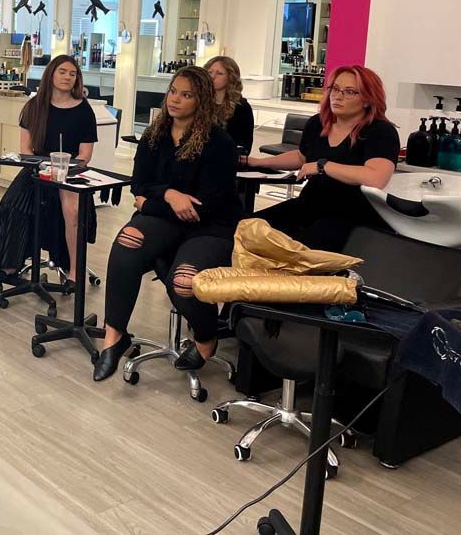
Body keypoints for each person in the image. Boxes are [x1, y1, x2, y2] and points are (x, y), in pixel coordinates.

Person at [93, 66, 241, 382]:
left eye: (186, 95)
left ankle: (205, 337)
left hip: (211, 226)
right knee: (128, 237)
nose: (175, 99)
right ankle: (115, 335)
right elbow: (140, 184)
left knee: (185, 280)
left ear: (200, 102)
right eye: (173, 91)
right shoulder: (155, 134)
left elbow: (202, 207)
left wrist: (150, 203)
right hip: (168, 219)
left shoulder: (219, 143)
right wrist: (171, 195)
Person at [243, 65, 399, 252]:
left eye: (349, 92)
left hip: (351, 215)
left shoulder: (380, 132)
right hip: (310, 205)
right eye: (334, 88)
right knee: (247, 229)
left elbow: (375, 177)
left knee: (295, 250)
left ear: (367, 99)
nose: (338, 96)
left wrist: (322, 166)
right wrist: (258, 162)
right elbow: (302, 157)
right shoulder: (318, 123)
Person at [0, 55, 98, 281]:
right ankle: (9, 265)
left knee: (72, 212)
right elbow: (26, 149)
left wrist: (64, 168)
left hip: (70, 172)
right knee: (11, 204)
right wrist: (44, 166)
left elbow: (85, 155)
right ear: (51, 75)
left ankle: (74, 270)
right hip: (37, 169)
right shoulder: (34, 106)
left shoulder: (85, 110)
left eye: (72, 74)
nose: (67, 77)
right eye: (62, 72)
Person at [205, 55, 254, 155]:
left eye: (220, 73)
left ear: (230, 78)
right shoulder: (200, 102)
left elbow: (244, 145)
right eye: (210, 72)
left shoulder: (241, 107)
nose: (212, 77)